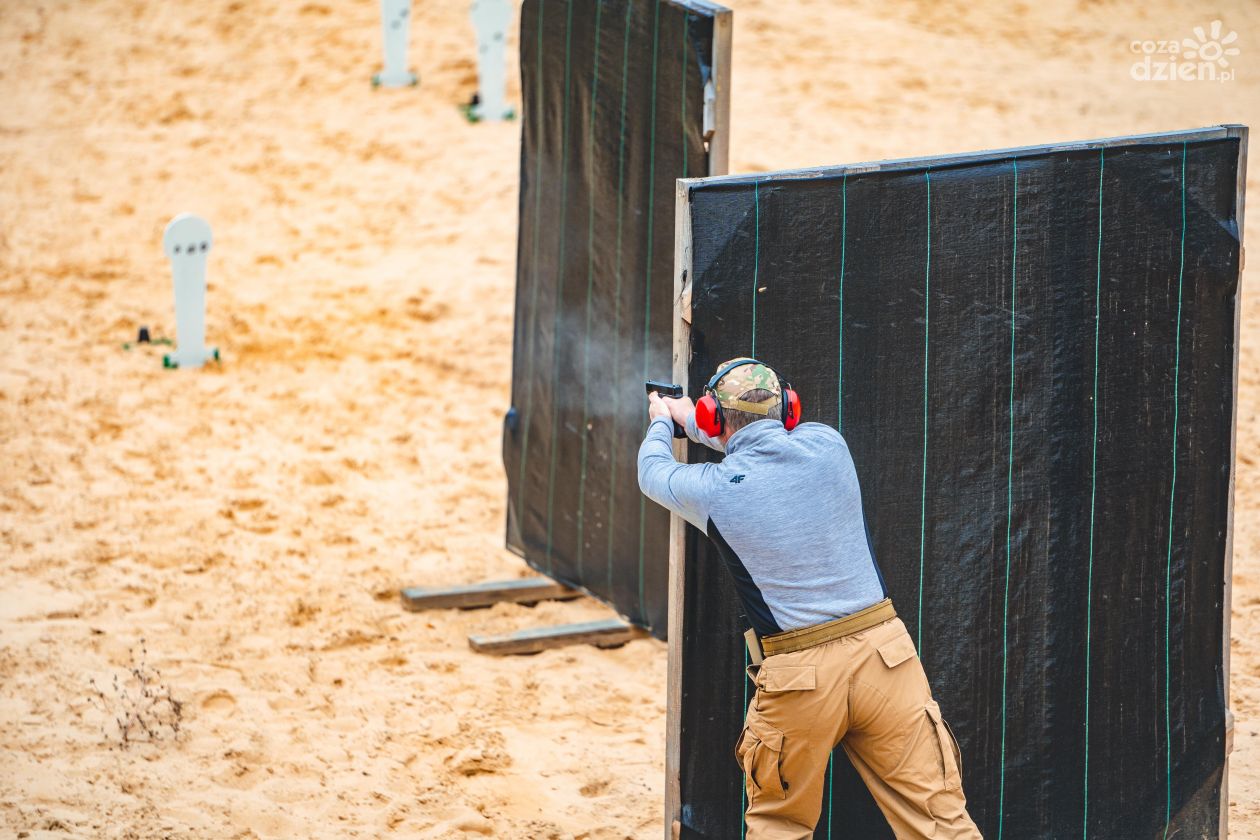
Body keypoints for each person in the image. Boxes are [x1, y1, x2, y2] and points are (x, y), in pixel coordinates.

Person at [637, 357, 983, 840]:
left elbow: (653, 471)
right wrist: (691, 416)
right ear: (790, 409)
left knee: (780, 827)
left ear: (715, 418)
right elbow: (747, 438)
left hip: (800, 676)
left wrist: (661, 421)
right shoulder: (829, 445)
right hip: (886, 656)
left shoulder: (714, 490)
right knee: (941, 821)